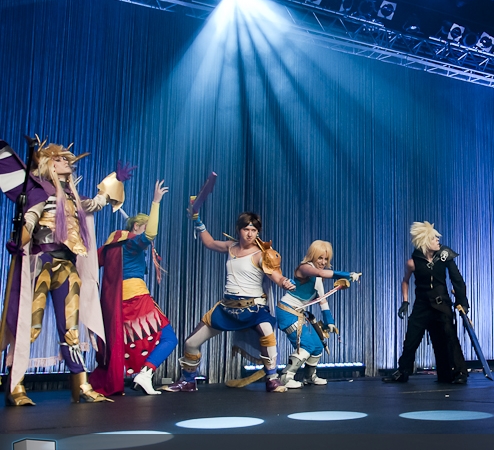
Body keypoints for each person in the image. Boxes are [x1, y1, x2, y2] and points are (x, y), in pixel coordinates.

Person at [2, 138, 130, 404]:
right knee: (30, 326)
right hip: (42, 263)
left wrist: (115, 181)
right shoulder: (40, 192)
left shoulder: (74, 198)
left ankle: (80, 385)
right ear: (49, 164)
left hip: (67, 266)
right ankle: (15, 385)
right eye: (60, 159)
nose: (66, 162)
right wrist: (20, 241)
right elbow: (30, 220)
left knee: (71, 330)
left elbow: (96, 203)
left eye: (66, 159)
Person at [163, 211, 296, 393]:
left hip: (254, 309)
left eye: (254, 230)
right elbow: (210, 243)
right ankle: (188, 381)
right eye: (246, 229)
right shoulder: (231, 247)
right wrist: (198, 222)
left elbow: (277, 277)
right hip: (227, 308)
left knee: (268, 333)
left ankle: (272, 379)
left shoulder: (262, 255)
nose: (250, 234)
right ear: (238, 230)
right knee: (191, 343)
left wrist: (285, 282)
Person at [88, 180, 177, 395]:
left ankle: (141, 374)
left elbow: (91, 262)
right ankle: (145, 374)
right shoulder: (131, 244)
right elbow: (151, 234)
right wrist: (156, 202)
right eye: (144, 225)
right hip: (136, 300)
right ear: (136, 227)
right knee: (169, 338)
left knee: (125, 342)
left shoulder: (113, 245)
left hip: (119, 303)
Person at [383, 222, 469, 384]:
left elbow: (457, 280)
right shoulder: (413, 262)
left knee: (449, 337)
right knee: (411, 338)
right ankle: (403, 371)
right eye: (434, 238)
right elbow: (405, 281)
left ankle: (459, 373)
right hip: (422, 305)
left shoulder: (444, 255)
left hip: (442, 304)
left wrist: (462, 302)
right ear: (425, 242)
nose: (437, 240)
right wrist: (405, 301)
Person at [276, 240, 361, 389]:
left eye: (326, 259)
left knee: (317, 345)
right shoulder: (305, 267)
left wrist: (330, 322)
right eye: (320, 258)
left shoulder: (318, 278)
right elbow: (321, 272)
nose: (323, 262)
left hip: (298, 313)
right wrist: (348, 275)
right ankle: (285, 377)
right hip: (287, 311)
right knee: (307, 345)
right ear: (312, 255)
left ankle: (309, 376)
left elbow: (323, 300)